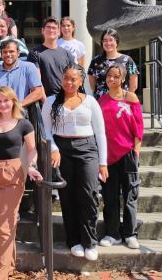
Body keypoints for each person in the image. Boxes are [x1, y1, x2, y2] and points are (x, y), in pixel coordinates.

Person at [0, 86, 42, 280]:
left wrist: (30, 167)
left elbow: (31, 149)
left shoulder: (24, 124)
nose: (3, 104)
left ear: (13, 101)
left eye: (6, 100)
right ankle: (7, 263)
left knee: (6, 225)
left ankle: (0, 274)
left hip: (13, 173)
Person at [41, 64, 108, 261]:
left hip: (87, 148)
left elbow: (100, 132)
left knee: (88, 194)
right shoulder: (52, 101)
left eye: (73, 79)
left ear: (81, 81)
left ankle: (89, 241)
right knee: (67, 195)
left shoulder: (90, 102)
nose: (69, 82)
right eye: (66, 78)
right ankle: (74, 241)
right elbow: (45, 130)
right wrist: (53, 148)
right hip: (62, 149)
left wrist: (103, 162)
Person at [98, 64, 144, 250]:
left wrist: (136, 151)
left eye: (116, 76)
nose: (111, 79)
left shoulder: (130, 97)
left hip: (127, 153)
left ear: (123, 79)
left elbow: (139, 127)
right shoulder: (101, 100)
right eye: (109, 76)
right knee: (110, 196)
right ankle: (112, 233)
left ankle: (130, 233)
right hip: (108, 156)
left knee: (130, 195)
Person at [0, 38, 43, 112]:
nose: (8, 54)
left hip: (23, 115)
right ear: (1, 54)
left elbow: (38, 92)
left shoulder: (29, 67)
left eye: (11, 51)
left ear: (18, 53)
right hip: (1, 118)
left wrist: (18, 106)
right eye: (5, 52)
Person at [28, 16, 74, 98]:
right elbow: (36, 83)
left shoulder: (67, 54)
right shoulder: (34, 53)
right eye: (48, 27)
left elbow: (72, 79)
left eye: (54, 28)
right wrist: (46, 103)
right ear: (42, 30)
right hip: (46, 100)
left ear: (59, 32)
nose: (51, 30)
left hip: (65, 100)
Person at [88, 28, 139, 100]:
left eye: (111, 40)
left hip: (120, 103)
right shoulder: (96, 61)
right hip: (101, 103)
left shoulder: (127, 60)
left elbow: (133, 86)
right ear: (102, 43)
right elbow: (93, 86)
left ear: (116, 42)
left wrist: (125, 99)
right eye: (105, 40)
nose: (108, 43)